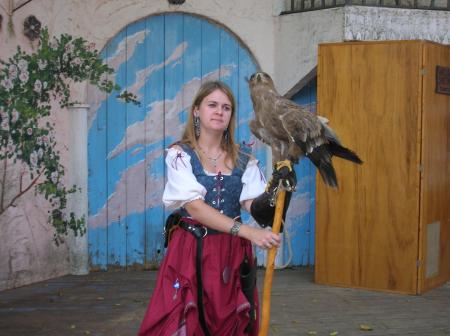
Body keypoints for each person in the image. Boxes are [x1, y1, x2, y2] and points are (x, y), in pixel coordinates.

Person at [138, 80, 294, 336]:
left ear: (231, 115)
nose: (219, 111)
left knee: (230, 321)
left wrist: (279, 190)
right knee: (185, 320)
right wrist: (249, 232)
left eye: (226, 107)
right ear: (196, 111)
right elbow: (196, 208)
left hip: (232, 254)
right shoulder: (180, 155)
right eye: (212, 105)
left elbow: (255, 207)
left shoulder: (244, 157)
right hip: (191, 250)